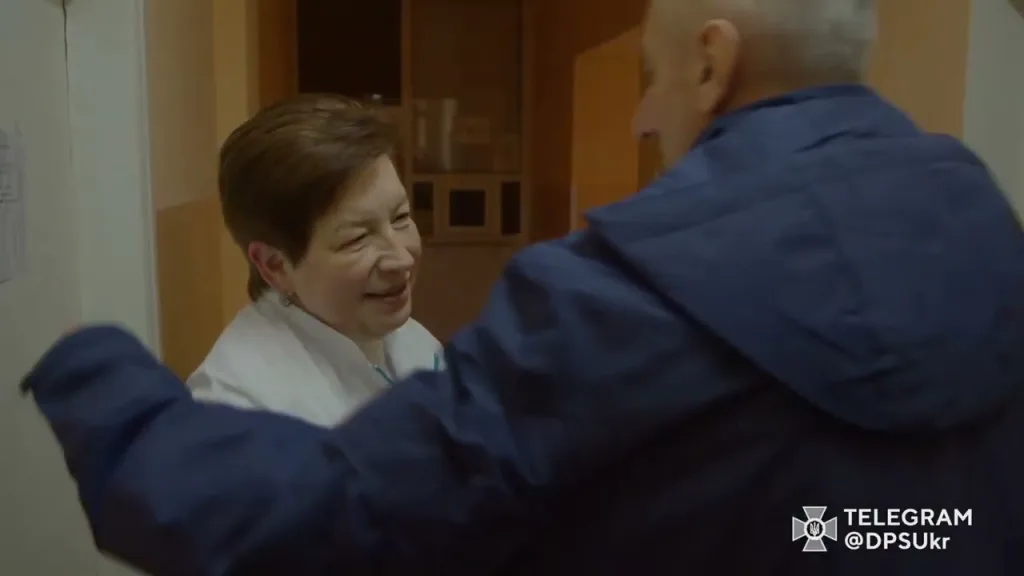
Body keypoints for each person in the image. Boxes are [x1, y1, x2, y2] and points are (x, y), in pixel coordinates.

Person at [20, 0, 1024, 574]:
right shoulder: (985, 224)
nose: (639, 114)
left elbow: (324, 514)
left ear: (711, 59)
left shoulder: (619, 296)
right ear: (272, 263)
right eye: (359, 234)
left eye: (652, 71)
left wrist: (97, 379)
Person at [189, 94, 443, 427]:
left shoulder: (407, 337)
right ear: (275, 266)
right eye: (357, 239)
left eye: (401, 217)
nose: (401, 258)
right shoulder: (236, 409)